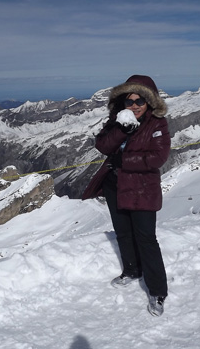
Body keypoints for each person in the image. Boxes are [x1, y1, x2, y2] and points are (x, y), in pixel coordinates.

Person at [82, 75, 170, 317]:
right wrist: (121, 131)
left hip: (142, 188)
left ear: (149, 102)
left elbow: (158, 157)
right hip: (115, 185)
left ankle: (157, 291)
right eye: (129, 101)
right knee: (123, 231)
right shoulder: (117, 120)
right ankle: (132, 270)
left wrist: (125, 161)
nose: (134, 105)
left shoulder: (157, 124)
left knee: (146, 238)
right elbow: (102, 145)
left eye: (140, 100)